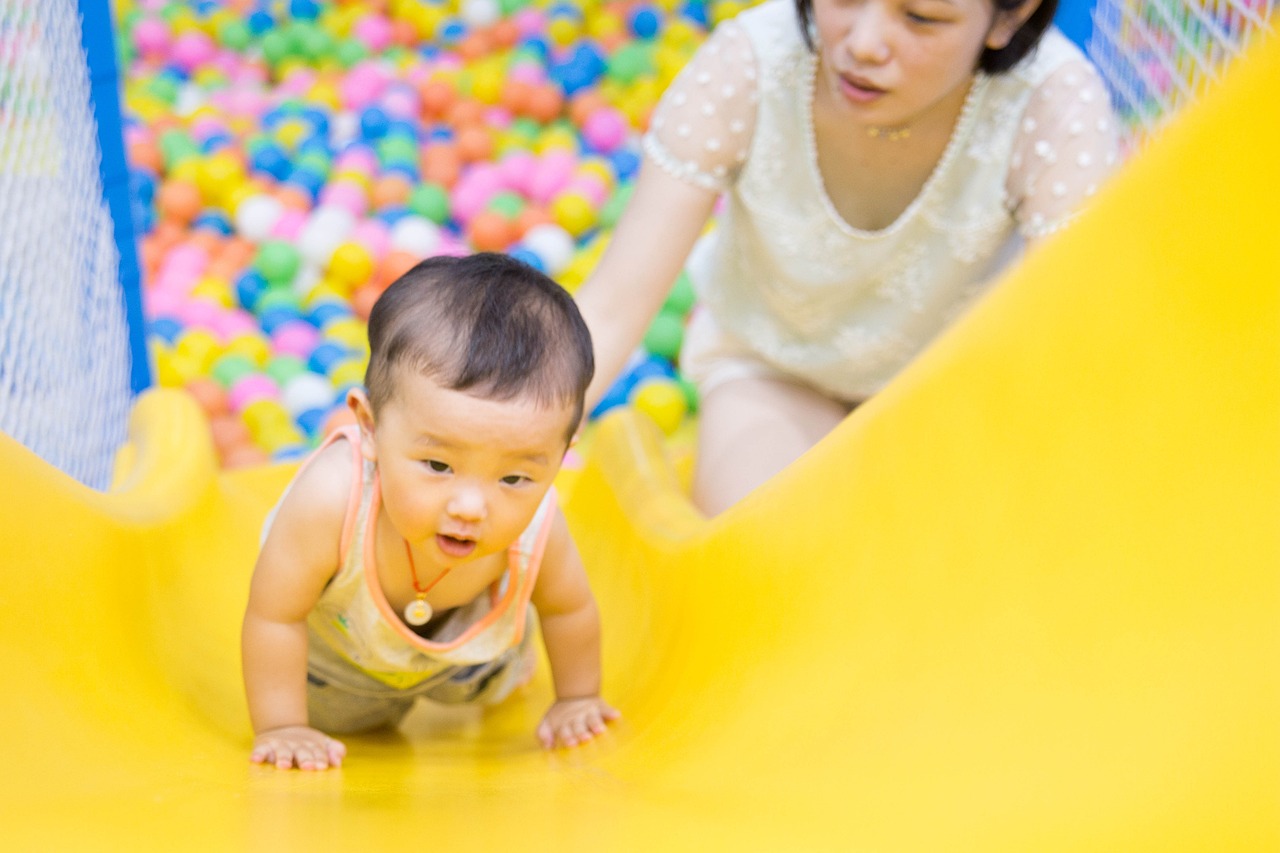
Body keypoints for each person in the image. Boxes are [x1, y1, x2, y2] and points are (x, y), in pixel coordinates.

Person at [574, 0, 1119, 514]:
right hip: (776, 367)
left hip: (954, 395)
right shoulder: (752, 65)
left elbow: (1072, 346)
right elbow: (611, 308)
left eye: (921, 17)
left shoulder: (1053, 106)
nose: (863, 44)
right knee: (764, 549)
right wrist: (509, 463)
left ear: (1010, 17)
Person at [242, 253, 619, 770]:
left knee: (495, 678)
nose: (470, 506)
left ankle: (498, 665)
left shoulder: (539, 523)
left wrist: (576, 697)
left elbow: (568, 609)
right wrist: (283, 725)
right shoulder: (330, 502)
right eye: (438, 465)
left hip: (469, 659)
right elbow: (274, 615)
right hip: (342, 669)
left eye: (514, 477)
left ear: (562, 453)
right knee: (349, 719)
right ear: (370, 428)